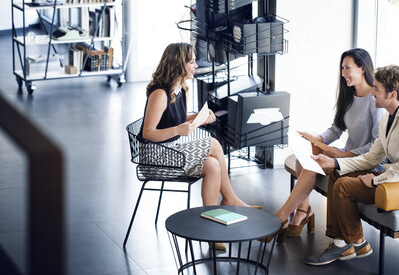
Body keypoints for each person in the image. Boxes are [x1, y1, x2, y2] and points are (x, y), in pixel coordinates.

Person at [305, 64, 399, 266]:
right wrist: (334, 162)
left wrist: (376, 181)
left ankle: (352, 242)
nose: (372, 93)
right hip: (398, 177)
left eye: (376, 89)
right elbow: (371, 157)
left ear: (392, 94)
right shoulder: (387, 118)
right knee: (336, 174)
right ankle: (347, 241)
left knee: (343, 186)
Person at [272, 48, 383, 243]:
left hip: (364, 161)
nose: (343, 74)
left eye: (347, 68)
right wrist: (318, 139)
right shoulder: (349, 95)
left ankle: (284, 215)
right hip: (347, 154)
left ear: (363, 69)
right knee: (307, 156)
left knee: (313, 163)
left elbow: (376, 147)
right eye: (342, 68)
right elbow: (336, 128)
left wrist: (343, 154)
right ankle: (302, 210)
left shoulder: (375, 101)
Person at [140, 42, 251, 209]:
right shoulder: (160, 94)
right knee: (213, 143)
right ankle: (230, 198)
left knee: (212, 165)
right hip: (155, 157)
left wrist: (199, 117)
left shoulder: (181, 89)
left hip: (172, 148)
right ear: (178, 64)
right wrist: (178, 129)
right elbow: (148, 133)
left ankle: (211, 215)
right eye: (191, 62)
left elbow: (174, 118)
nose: (196, 65)